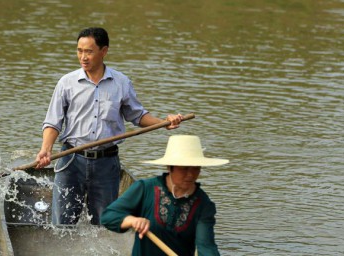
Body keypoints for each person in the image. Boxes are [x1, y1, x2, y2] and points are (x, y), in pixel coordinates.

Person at [34, 27, 183, 225]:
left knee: (104, 225)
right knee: (62, 223)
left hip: (106, 163)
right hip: (71, 160)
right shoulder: (67, 83)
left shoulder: (121, 82)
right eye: (79, 51)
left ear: (104, 51)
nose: (83, 57)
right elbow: (53, 122)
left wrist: (164, 123)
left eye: (89, 51)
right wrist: (46, 149)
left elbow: (138, 116)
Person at [100, 135, 229, 256]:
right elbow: (108, 217)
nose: (190, 174)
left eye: (195, 168)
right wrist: (132, 220)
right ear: (169, 167)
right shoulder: (145, 189)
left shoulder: (203, 204)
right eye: (184, 169)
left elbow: (206, 246)